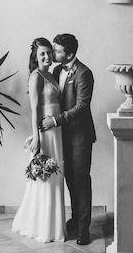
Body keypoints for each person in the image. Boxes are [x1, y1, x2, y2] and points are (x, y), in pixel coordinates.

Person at [41, 33, 96, 246]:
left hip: (80, 136)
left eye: (57, 50)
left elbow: (82, 107)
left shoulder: (84, 73)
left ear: (70, 54)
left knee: (81, 180)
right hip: (61, 136)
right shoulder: (56, 70)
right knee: (69, 179)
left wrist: (55, 120)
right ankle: (75, 218)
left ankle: (84, 229)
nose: (53, 53)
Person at [11, 37, 67, 243]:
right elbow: (34, 109)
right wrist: (36, 137)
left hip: (57, 130)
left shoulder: (52, 75)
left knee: (57, 174)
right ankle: (43, 226)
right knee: (47, 177)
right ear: (35, 57)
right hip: (45, 131)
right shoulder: (36, 76)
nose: (46, 56)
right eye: (42, 53)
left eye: (48, 52)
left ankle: (55, 225)